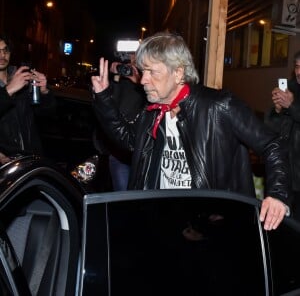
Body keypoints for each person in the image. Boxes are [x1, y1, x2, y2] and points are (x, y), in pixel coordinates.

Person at [91, 31, 290, 231]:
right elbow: (129, 140)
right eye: (143, 71)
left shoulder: (219, 106)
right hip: (161, 219)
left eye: (152, 72)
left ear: (178, 73)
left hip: (210, 225)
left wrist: (277, 195)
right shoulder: (153, 112)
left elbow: (272, 144)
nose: (143, 80)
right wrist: (104, 99)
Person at [94, 53, 146, 190]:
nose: (131, 63)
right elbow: (107, 105)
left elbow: (151, 102)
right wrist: (115, 75)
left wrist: (138, 80)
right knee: (122, 195)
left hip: (141, 151)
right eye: (130, 58)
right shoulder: (118, 81)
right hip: (119, 151)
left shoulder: (146, 80)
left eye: (136, 58)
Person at [0, 34, 56, 164]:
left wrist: (44, 92)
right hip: (5, 164)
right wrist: (8, 90)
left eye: (5, 50)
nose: (2, 55)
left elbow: (47, 115)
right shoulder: (16, 83)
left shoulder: (22, 78)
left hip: (30, 160)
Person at [265, 50, 300, 219]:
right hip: (285, 172)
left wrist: (291, 106)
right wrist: (278, 110)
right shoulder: (289, 89)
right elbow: (271, 126)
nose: (299, 72)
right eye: (297, 67)